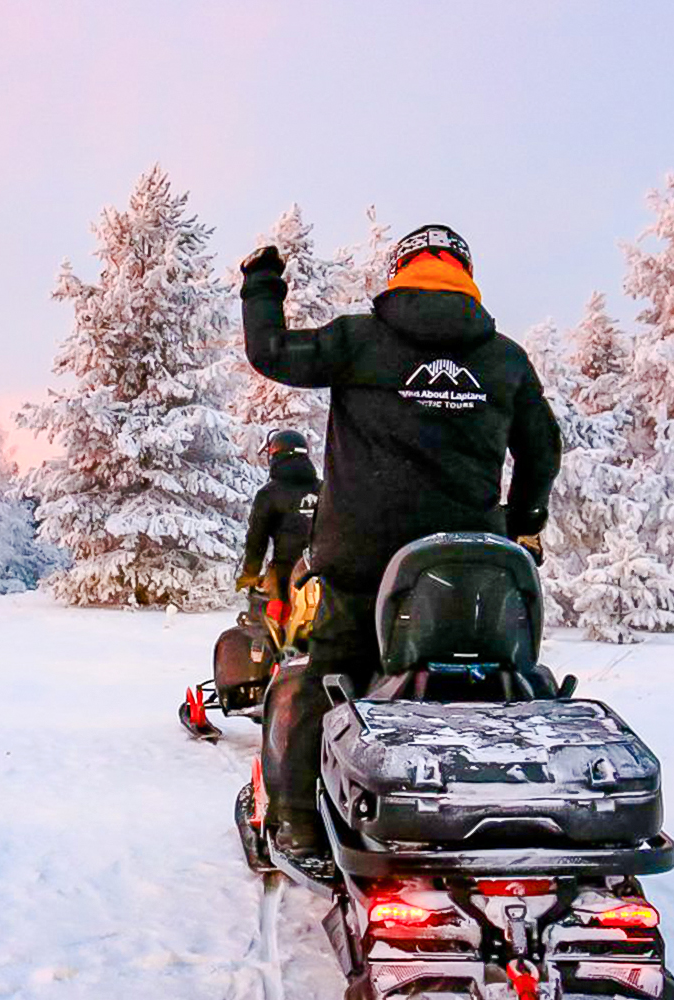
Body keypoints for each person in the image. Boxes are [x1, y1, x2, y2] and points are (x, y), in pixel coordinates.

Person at [240, 223, 562, 859]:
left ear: (399, 273)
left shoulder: (359, 341)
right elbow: (541, 448)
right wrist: (523, 524)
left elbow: (271, 352)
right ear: (464, 277)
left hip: (364, 563)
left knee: (324, 677)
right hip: (471, 568)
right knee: (497, 683)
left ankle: (301, 825)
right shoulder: (504, 358)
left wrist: (261, 283)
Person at [236, 429, 322, 622]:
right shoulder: (324, 489)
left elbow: (257, 538)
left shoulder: (269, 494)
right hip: (324, 571)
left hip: (286, 572)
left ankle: (272, 645)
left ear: (275, 456)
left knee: (266, 617)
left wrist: (250, 572)